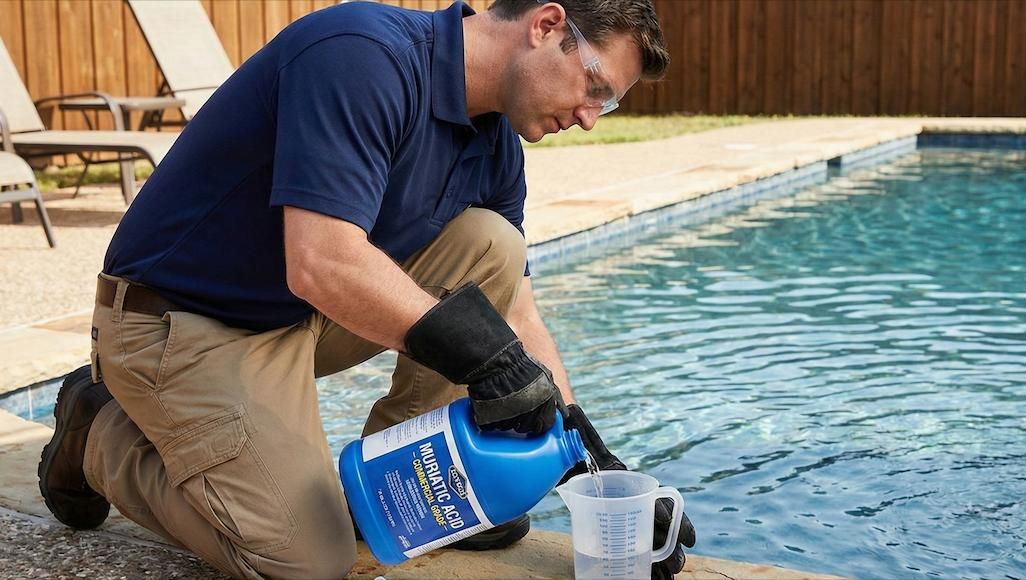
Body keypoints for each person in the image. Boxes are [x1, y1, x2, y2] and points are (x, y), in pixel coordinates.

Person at [37, 0, 697, 578]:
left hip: (295, 316)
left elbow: (519, 317)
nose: (590, 117)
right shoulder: (362, 57)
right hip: (179, 322)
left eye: (606, 104)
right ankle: (96, 431)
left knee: (493, 244)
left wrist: (594, 465)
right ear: (547, 25)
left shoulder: (497, 149)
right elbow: (321, 262)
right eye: (596, 88)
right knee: (305, 562)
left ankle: (390, 487)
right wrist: (485, 360)